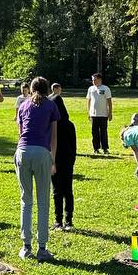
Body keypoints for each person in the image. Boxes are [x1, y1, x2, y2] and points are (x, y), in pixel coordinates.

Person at [14, 76, 60, 261]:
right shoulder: (51, 106)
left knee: (26, 200)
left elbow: (20, 132)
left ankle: (26, 247)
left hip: (22, 152)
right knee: (43, 202)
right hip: (42, 153)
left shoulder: (23, 105)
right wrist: (53, 161)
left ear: (31, 89)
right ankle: (42, 248)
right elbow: (54, 137)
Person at [49, 82, 77, 231]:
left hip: (55, 160)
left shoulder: (51, 125)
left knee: (57, 191)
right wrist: (72, 160)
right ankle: (69, 220)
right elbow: (74, 146)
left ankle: (58, 221)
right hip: (67, 161)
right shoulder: (69, 124)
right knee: (68, 190)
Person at [86, 72, 112, 155]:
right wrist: (89, 112)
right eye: (93, 80)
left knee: (103, 132)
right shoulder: (91, 89)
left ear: (100, 79)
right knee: (94, 132)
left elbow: (109, 101)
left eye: (95, 80)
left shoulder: (105, 88)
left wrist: (110, 113)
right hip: (93, 114)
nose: (93, 81)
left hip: (103, 114)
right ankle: (96, 148)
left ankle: (105, 148)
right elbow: (89, 101)